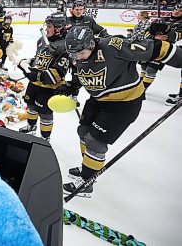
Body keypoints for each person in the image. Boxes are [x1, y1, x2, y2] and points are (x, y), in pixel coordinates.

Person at [61, 26, 182, 197]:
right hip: (98, 99)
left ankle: (86, 183)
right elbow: (81, 70)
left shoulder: (113, 46)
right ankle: (87, 168)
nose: (76, 58)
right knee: (83, 131)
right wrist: (72, 85)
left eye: (80, 53)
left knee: (95, 141)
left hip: (124, 103)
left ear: (91, 44)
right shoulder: (78, 51)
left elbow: (156, 48)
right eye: (73, 54)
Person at [17, 13, 70, 141]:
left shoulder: (65, 46)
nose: (46, 29)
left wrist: (35, 75)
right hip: (34, 85)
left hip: (49, 88)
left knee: (45, 114)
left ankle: (45, 138)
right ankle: (31, 127)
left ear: (59, 28)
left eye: (49, 26)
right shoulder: (42, 40)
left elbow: (57, 74)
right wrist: (28, 62)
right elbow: (39, 58)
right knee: (30, 105)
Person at [66, 0, 109, 106]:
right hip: (71, 54)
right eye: (77, 9)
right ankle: (71, 94)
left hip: (87, 54)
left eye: (81, 9)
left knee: (86, 76)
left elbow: (101, 31)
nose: (79, 11)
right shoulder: (66, 20)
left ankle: (92, 96)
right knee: (73, 75)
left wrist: (107, 38)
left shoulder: (89, 20)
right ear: (72, 9)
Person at [141, 11, 182, 91]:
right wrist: (154, 36)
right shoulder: (162, 19)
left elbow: (177, 37)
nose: (176, 11)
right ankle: (138, 87)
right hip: (149, 46)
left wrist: (167, 29)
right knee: (144, 67)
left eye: (180, 10)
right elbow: (146, 32)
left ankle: (141, 90)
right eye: (175, 9)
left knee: (151, 70)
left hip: (164, 50)